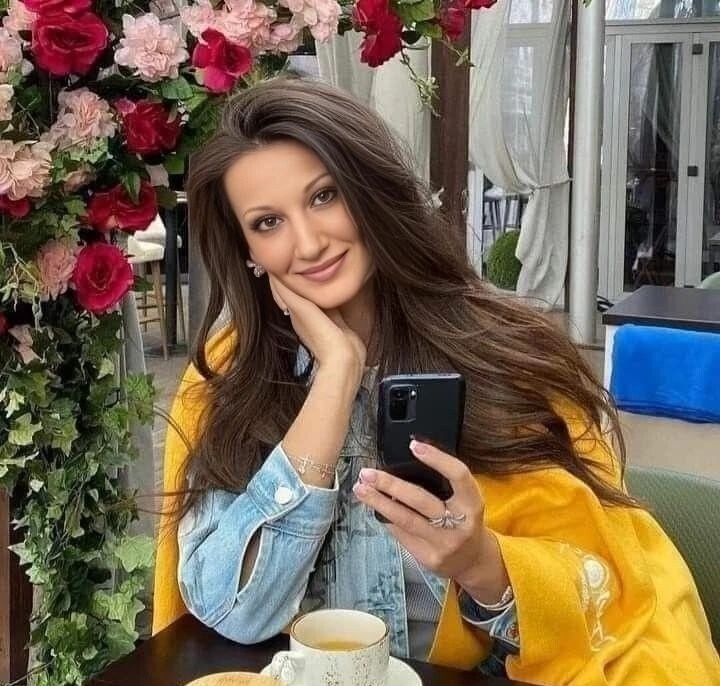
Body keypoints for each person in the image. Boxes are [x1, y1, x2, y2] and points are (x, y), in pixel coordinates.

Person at [153, 77, 720, 685]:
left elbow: (608, 595)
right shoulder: (227, 377)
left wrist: (482, 563)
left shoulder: (508, 354)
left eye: (324, 196)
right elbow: (229, 611)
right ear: (247, 252)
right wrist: (336, 376)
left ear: (370, 192)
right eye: (268, 222)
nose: (310, 242)